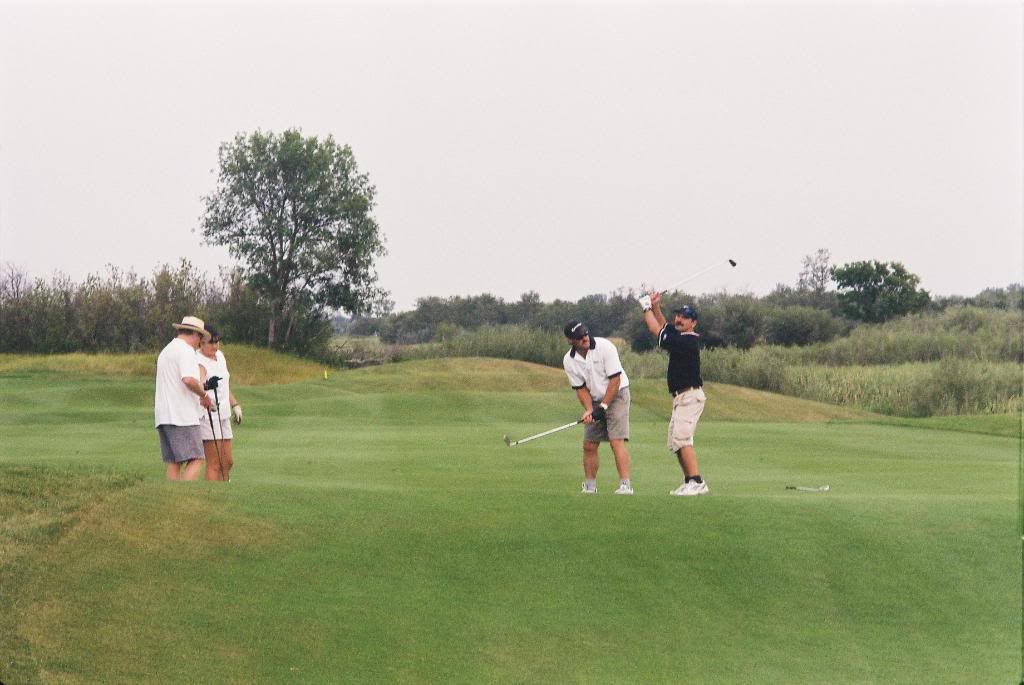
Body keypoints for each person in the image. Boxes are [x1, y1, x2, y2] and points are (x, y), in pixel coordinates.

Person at [639, 292, 709, 495]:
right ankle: (689, 481)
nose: (679, 319)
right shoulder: (680, 336)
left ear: (693, 323)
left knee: (682, 439)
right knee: (676, 442)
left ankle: (697, 481)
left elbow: (656, 330)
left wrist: (646, 308)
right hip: (681, 397)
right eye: (678, 315)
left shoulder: (688, 341)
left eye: (684, 317)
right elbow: (663, 326)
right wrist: (655, 307)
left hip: (690, 396)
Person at [561, 320, 633, 495]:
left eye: (585, 333)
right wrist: (589, 409)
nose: (585, 338)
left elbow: (615, 380)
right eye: (579, 336)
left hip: (617, 394)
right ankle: (590, 486)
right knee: (589, 444)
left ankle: (625, 485)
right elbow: (580, 388)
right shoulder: (569, 360)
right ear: (570, 340)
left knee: (616, 441)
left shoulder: (605, 347)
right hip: (594, 398)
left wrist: (603, 406)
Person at [155, 316, 214, 480]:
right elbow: (188, 379)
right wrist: (204, 395)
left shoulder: (167, 350)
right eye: (200, 338)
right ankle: (183, 493)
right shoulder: (186, 350)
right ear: (194, 334)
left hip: (164, 415)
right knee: (196, 458)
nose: (200, 343)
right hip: (181, 415)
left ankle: (171, 493)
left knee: (175, 461)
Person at [196, 325, 242, 481]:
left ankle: (223, 490)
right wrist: (205, 386)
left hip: (224, 413)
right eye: (211, 342)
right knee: (214, 463)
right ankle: (211, 493)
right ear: (201, 343)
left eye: (217, 342)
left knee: (227, 462)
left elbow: (224, 386)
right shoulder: (198, 360)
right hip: (209, 414)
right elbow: (200, 384)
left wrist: (235, 405)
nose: (215, 346)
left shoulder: (220, 356)